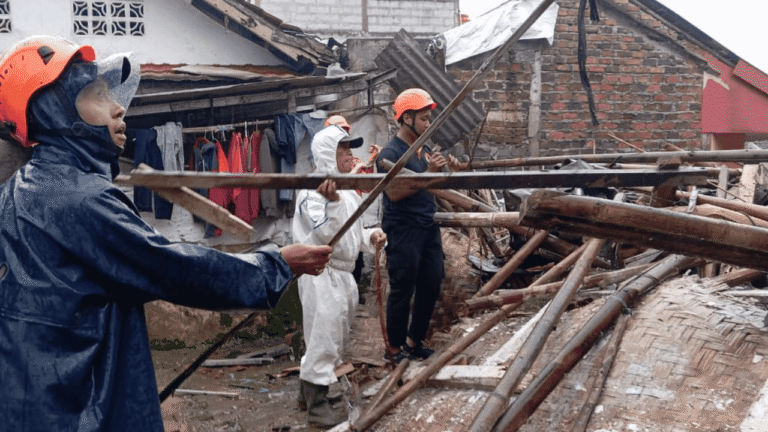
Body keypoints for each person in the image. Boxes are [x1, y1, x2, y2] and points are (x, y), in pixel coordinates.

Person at [0, 35, 333, 431]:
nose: (118, 106)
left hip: (36, 394)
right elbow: (169, 267)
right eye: (97, 94)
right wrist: (274, 264)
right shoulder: (78, 198)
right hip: (77, 402)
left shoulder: (19, 191)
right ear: (53, 111)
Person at [292, 120, 386, 428]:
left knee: (336, 336)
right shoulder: (313, 194)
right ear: (326, 154)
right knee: (324, 336)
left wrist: (370, 237)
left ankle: (308, 394)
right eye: (342, 149)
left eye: (349, 149)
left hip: (344, 274)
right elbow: (325, 238)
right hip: (321, 272)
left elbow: (352, 234)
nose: (349, 155)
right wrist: (331, 204)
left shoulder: (347, 193)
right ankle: (318, 407)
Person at [376, 88, 459, 363]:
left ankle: (414, 341)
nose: (428, 124)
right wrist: (429, 174)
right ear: (406, 118)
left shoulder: (421, 151)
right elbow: (394, 193)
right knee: (402, 287)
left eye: (429, 118)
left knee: (431, 282)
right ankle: (395, 348)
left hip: (427, 226)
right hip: (403, 229)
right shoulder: (390, 153)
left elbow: (433, 184)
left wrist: (449, 173)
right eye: (424, 119)